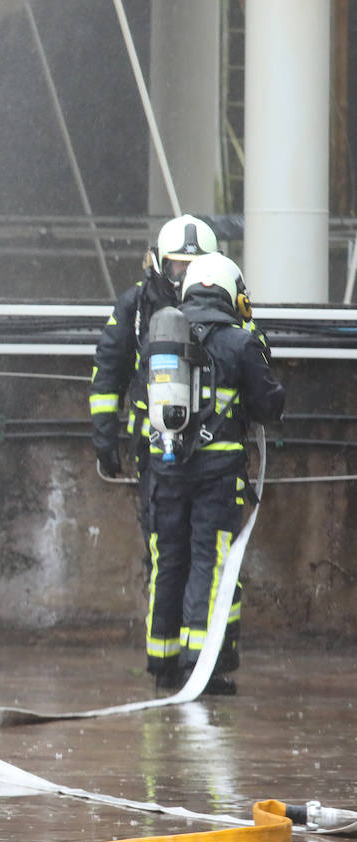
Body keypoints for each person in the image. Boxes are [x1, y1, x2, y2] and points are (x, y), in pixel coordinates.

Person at [139, 252, 285, 695]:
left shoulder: (162, 333)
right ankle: (199, 668)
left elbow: (141, 399)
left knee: (169, 561)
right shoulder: (239, 341)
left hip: (165, 469)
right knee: (210, 560)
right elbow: (267, 406)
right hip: (218, 473)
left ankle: (162, 662)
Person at [90, 215, 219, 520]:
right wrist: (104, 438)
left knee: (205, 544)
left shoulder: (227, 307)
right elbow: (107, 371)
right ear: (160, 262)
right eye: (179, 265)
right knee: (160, 544)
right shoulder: (135, 305)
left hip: (212, 446)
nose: (185, 275)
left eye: (196, 266)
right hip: (152, 445)